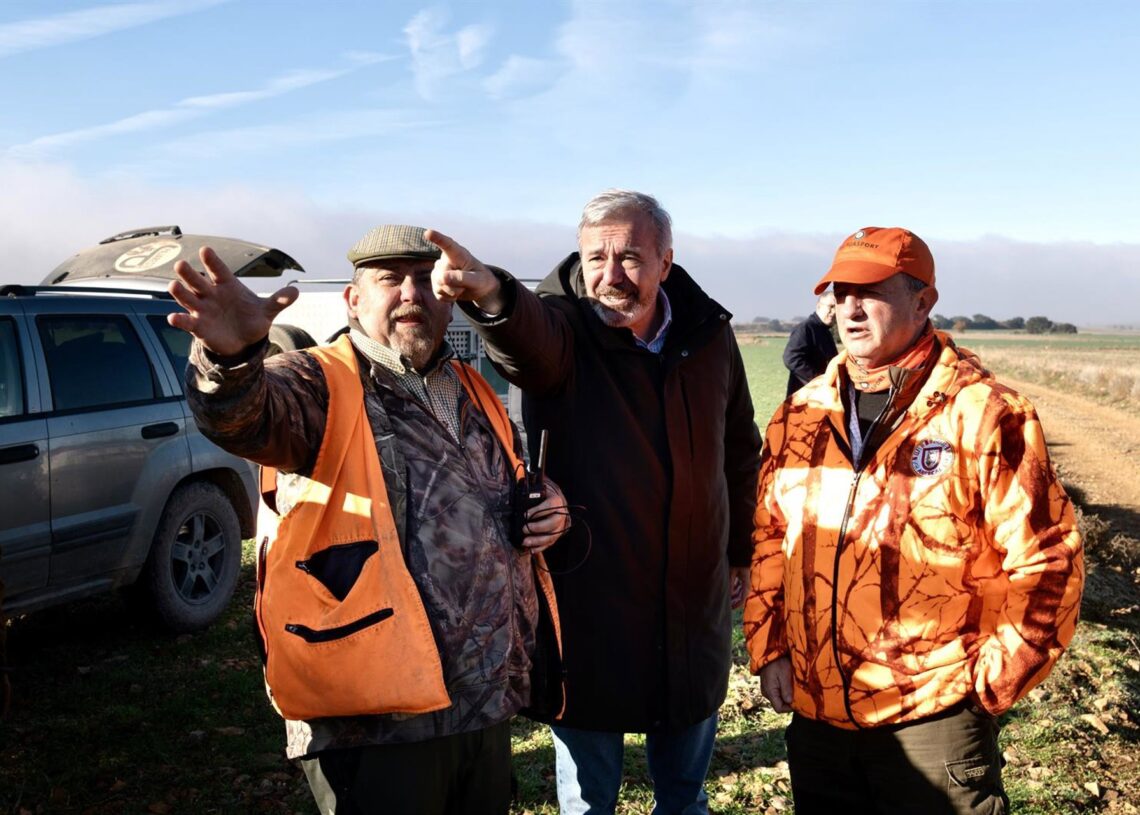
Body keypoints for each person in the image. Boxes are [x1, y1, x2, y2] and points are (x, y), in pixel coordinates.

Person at [167, 225, 570, 815]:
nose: (412, 293)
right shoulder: (315, 382)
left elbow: (502, 489)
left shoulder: (471, 388)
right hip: (374, 720)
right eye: (389, 279)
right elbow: (244, 419)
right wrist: (231, 361)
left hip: (483, 703)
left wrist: (548, 507)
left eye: (426, 281)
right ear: (354, 299)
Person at [428, 189, 763, 814]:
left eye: (630, 257)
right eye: (595, 258)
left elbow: (740, 449)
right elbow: (526, 337)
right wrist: (492, 296)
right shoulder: (564, 330)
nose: (609, 276)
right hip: (589, 609)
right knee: (588, 802)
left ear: (666, 261)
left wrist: (740, 548)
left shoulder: (708, 338)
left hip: (693, 605)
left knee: (686, 798)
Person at [744, 226, 1084, 813]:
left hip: (933, 719)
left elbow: (1047, 558)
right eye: (840, 291)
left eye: (871, 291)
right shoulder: (799, 417)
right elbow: (773, 537)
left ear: (923, 301)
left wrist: (987, 688)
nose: (850, 308)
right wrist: (770, 645)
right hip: (817, 713)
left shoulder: (982, 415)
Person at [782, 290, 837, 396]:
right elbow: (791, 358)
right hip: (804, 397)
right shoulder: (805, 328)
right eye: (830, 306)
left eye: (836, 308)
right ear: (819, 306)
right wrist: (818, 380)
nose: (833, 311)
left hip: (821, 396)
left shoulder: (826, 331)